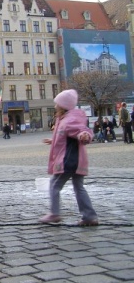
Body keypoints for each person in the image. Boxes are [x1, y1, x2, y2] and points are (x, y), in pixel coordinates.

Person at [39, 89, 98, 226]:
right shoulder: (65, 118)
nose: (55, 106)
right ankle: (89, 216)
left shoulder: (70, 119)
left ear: (63, 106)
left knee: (54, 185)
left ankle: (54, 214)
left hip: (68, 160)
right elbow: (66, 136)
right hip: (76, 160)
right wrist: (52, 140)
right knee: (79, 187)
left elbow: (80, 130)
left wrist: (84, 135)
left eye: (57, 104)